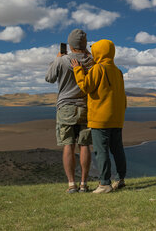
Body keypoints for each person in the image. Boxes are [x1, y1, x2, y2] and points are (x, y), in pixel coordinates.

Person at [70, 39, 127, 194]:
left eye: (95, 50)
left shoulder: (98, 69)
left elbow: (86, 86)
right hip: (117, 118)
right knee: (117, 149)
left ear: (99, 52)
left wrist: (77, 70)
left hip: (100, 118)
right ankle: (121, 179)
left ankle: (104, 184)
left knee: (101, 151)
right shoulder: (118, 71)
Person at [45, 29, 94, 193]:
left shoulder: (63, 60)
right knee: (85, 145)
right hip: (86, 108)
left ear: (70, 44)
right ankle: (84, 184)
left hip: (65, 107)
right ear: (85, 44)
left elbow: (49, 78)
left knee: (68, 145)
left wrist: (57, 58)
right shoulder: (91, 61)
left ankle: (71, 184)